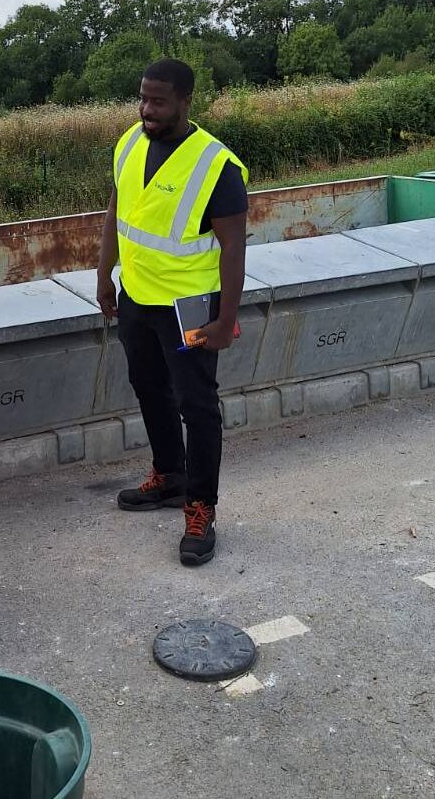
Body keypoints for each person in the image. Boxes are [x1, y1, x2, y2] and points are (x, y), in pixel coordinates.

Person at [96, 59, 248, 566]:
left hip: (189, 310)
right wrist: (103, 277)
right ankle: (169, 475)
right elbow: (117, 214)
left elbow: (233, 250)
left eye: (158, 101)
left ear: (185, 101)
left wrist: (226, 320)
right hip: (137, 297)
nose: (147, 109)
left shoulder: (216, 167)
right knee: (148, 388)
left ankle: (200, 507)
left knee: (197, 406)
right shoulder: (129, 143)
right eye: (142, 98)